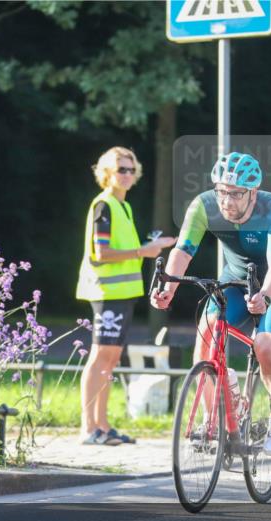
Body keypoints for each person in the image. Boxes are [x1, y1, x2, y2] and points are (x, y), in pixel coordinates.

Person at [150, 152, 271, 453]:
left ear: (253, 192)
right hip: (235, 279)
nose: (226, 201)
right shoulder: (204, 206)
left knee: (265, 347)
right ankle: (215, 423)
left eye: (235, 194)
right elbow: (183, 251)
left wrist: (266, 296)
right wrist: (168, 286)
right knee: (205, 342)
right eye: (221, 191)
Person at [76, 146, 175, 446]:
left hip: (124, 293)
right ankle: (88, 427)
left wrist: (150, 247)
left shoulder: (124, 207)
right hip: (107, 293)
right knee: (99, 359)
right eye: (121, 169)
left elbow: (124, 251)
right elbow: (101, 253)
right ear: (107, 173)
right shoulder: (103, 205)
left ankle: (103, 425)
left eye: (131, 169)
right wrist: (142, 252)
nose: (128, 175)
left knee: (111, 359)